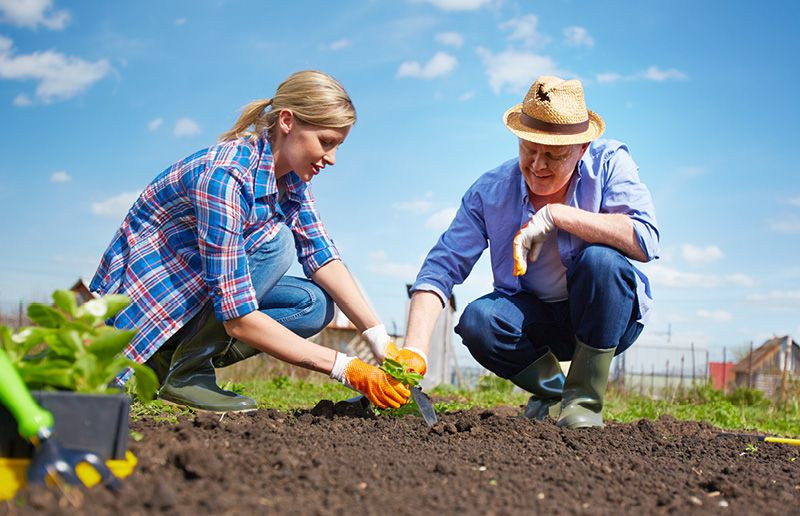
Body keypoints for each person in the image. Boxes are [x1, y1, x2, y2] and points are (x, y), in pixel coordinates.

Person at [90, 70, 409, 413]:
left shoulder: (290, 181)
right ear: (287, 121)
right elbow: (237, 316)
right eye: (326, 142)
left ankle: (171, 363)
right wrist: (346, 368)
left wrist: (379, 340)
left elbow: (321, 254)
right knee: (277, 244)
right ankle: (185, 371)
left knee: (313, 304)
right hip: (151, 311)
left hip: (199, 298)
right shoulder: (224, 177)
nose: (331, 158)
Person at [398, 75, 659, 428]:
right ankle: (555, 391)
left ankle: (583, 403)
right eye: (529, 150)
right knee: (479, 320)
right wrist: (413, 349)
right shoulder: (490, 192)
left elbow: (644, 239)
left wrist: (558, 215)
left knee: (601, 261)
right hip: (536, 324)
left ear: (582, 149)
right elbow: (441, 267)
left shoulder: (609, 163)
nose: (537, 165)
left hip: (606, 316)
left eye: (554, 155)